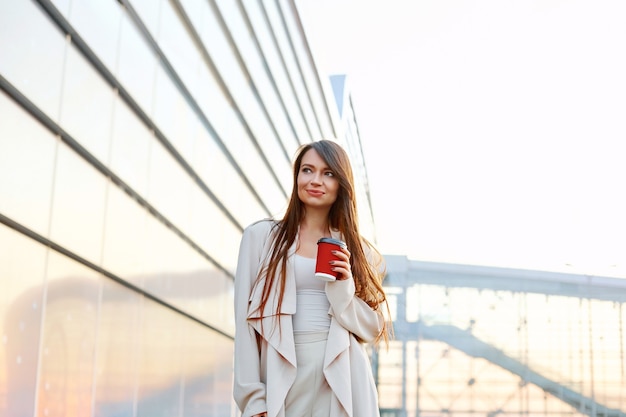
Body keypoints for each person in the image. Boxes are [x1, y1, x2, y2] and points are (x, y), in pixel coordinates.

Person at [233, 140, 390, 417]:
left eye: (328, 173)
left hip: (344, 373)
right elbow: (244, 325)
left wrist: (344, 288)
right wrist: (254, 399)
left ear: (342, 183)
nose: (316, 180)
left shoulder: (359, 249)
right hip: (281, 372)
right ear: (297, 177)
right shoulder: (260, 238)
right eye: (307, 170)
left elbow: (371, 329)